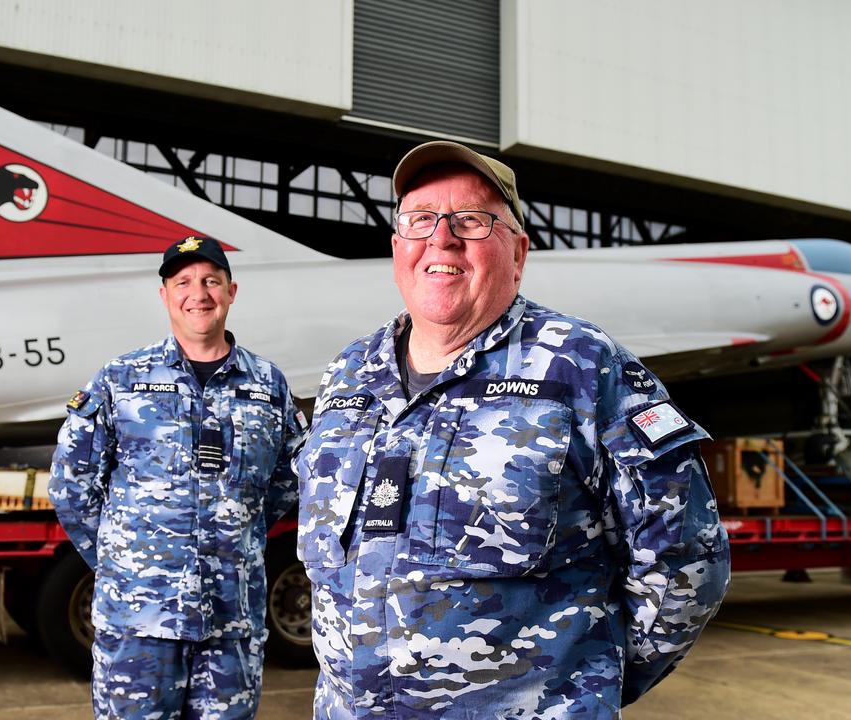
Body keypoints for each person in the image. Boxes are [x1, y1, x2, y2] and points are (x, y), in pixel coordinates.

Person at [295, 142, 730, 718]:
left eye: (471, 221)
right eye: (420, 220)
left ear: (518, 252)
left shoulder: (581, 366)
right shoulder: (349, 372)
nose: (441, 239)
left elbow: (686, 561)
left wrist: (587, 682)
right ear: (397, 246)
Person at [50, 236, 301, 720]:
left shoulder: (268, 385)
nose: (198, 293)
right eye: (183, 282)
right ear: (165, 294)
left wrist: (236, 533)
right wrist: (124, 562)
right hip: (138, 621)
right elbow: (71, 483)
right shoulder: (122, 379)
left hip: (231, 623)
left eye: (211, 281)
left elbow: (288, 479)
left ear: (231, 291)